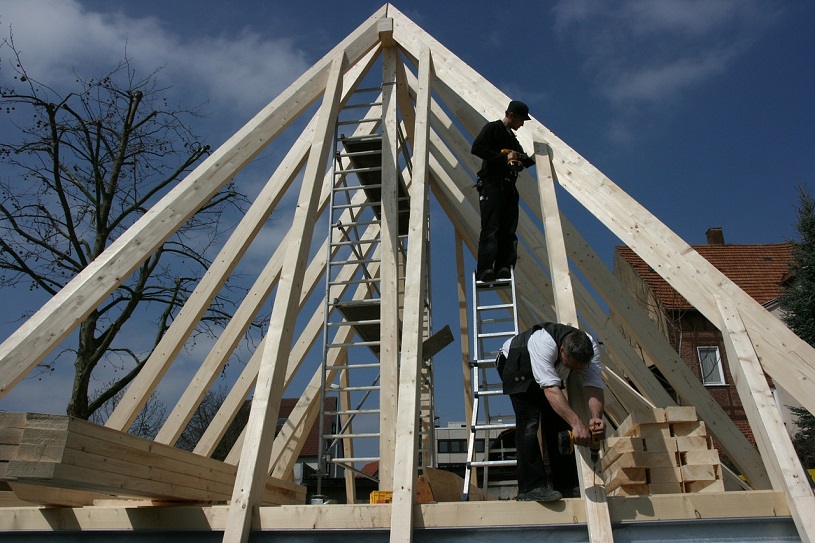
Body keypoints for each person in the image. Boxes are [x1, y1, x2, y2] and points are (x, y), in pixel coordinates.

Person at [497, 322, 605, 501]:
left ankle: (566, 484)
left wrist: (596, 418)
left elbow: (594, 385)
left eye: (579, 368)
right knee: (529, 420)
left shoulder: (589, 347)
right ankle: (531, 487)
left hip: (545, 372)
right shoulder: (544, 343)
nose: (573, 371)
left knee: (558, 422)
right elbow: (551, 389)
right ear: (562, 350)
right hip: (516, 363)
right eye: (569, 365)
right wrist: (577, 424)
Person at [471, 100, 536, 283]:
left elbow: (521, 160)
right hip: (492, 184)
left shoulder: (513, 140)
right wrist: (503, 157)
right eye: (521, 120)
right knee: (492, 228)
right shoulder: (494, 128)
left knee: (508, 231)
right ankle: (485, 270)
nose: (522, 124)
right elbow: (477, 148)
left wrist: (536, 156)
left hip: (508, 187)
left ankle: (504, 268)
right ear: (511, 115)